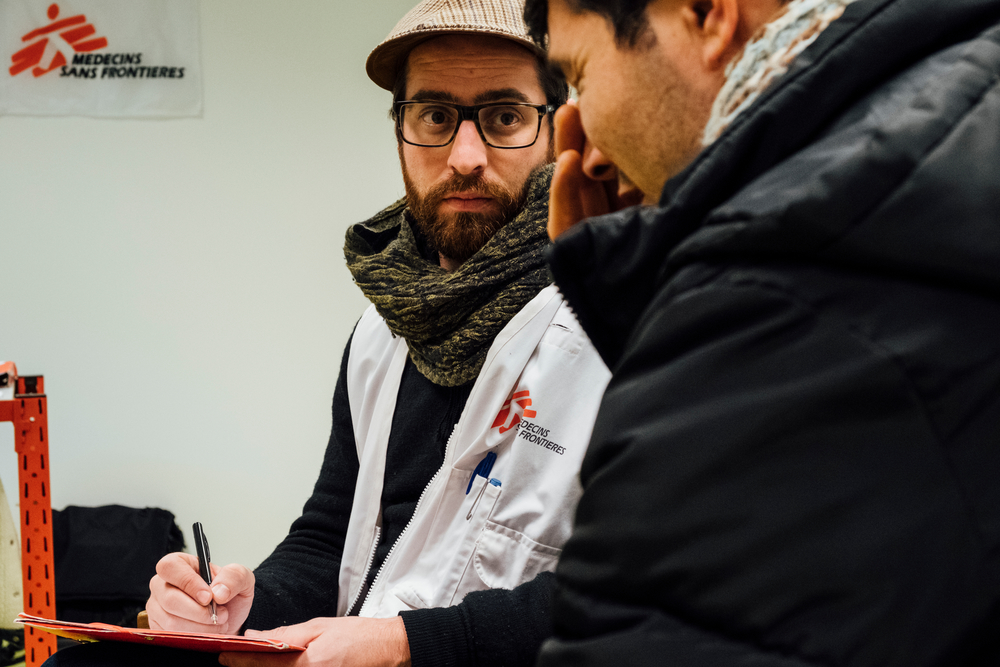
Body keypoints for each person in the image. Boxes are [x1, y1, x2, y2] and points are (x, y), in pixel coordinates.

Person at [44, 1, 609, 667]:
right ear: (399, 129)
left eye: (504, 117)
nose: (464, 156)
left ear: (559, 128)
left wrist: (405, 643)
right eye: (433, 115)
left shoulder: (611, 321)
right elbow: (329, 536)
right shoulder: (382, 326)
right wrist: (242, 602)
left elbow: (638, 587)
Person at [519, 0, 1000, 665]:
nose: (588, 154)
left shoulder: (777, 270)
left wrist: (679, 309)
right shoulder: (956, 106)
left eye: (580, 75)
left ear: (706, 14)